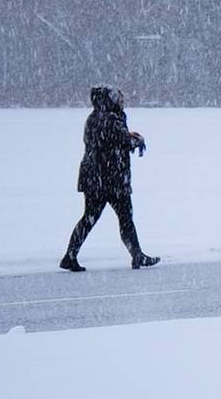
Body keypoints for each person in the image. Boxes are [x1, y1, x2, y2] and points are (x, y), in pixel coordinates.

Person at [60, 85, 160, 272]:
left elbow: (108, 141)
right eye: (118, 98)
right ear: (110, 100)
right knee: (124, 218)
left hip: (94, 177)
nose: (121, 101)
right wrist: (137, 139)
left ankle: (70, 255)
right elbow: (123, 141)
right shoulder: (111, 119)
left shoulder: (93, 118)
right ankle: (137, 255)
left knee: (89, 218)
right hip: (111, 179)